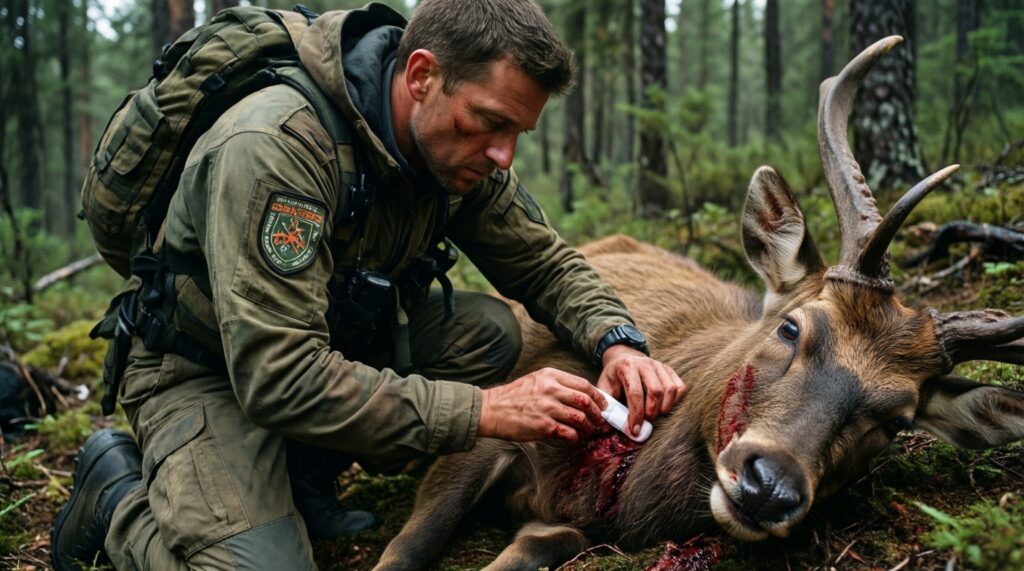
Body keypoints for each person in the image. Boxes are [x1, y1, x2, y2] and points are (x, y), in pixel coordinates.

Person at [51, 0, 686, 569]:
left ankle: (299, 476)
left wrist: (618, 340)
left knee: (488, 336)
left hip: (320, 340)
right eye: (490, 123)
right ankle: (116, 499)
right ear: (420, 76)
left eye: (517, 133)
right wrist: (487, 412)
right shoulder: (280, 146)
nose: (504, 156)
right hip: (202, 365)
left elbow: (546, 264)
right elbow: (280, 375)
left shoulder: (452, 148)